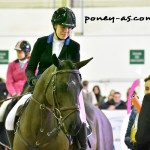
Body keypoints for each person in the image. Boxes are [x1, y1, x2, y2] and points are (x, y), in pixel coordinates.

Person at [5, 7, 88, 150]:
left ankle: (82, 146)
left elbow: (74, 71)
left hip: (65, 89)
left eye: (70, 28)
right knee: (10, 118)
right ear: (55, 25)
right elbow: (30, 67)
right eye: (63, 27)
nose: (66, 31)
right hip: (39, 86)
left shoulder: (74, 47)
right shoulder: (42, 43)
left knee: (82, 118)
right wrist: (32, 80)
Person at [0, 40, 31, 149]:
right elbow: (9, 81)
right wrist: (13, 92)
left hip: (27, 94)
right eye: (17, 51)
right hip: (13, 95)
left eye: (20, 51)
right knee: (1, 112)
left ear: (27, 52)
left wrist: (24, 92)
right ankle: (2, 139)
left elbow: (33, 80)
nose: (18, 53)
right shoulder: (12, 65)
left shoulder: (32, 65)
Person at [135, 75, 150, 150]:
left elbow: (142, 132)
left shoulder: (148, 98)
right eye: (146, 88)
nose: (146, 92)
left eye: (147, 88)